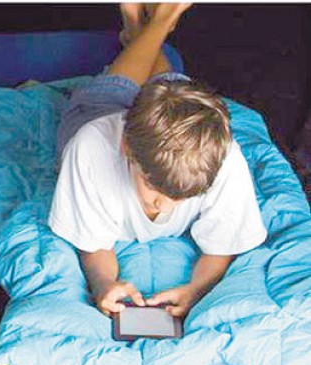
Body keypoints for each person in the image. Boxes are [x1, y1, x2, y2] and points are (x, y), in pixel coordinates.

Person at [48, 3, 267, 318]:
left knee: (173, 94)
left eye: (182, 198)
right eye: (154, 189)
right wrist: (103, 283)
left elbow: (224, 244)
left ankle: (140, 29)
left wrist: (197, 288)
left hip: (158, 119)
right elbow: (93, 241)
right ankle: (160, 21)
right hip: (99, 112)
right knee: (113, 88)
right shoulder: (89, 148)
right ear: (126, 147)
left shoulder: (224, 159)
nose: (164, 207)